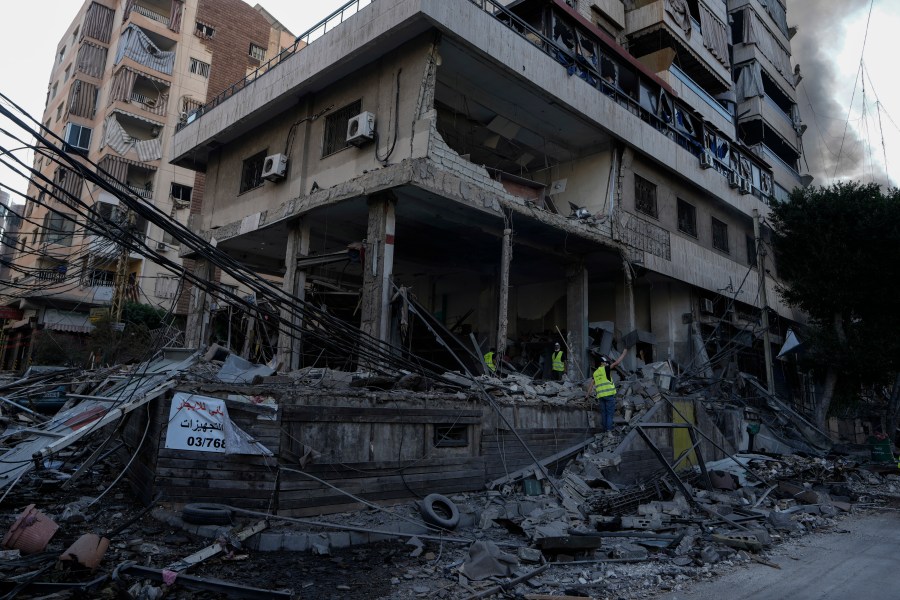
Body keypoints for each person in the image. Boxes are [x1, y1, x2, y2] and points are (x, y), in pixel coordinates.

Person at [587, 348, 628, 432]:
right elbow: (616, 363)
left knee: (604, 414)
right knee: (609, 414)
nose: (606, 364)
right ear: (602, 363)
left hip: (601, 396)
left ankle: (604, 429)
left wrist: (587, 395)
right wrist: (623, 354)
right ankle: (608, 430)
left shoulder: (595, 373)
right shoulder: (605, 369)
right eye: (605, 362)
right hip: (609, 395)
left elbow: (591, 384)